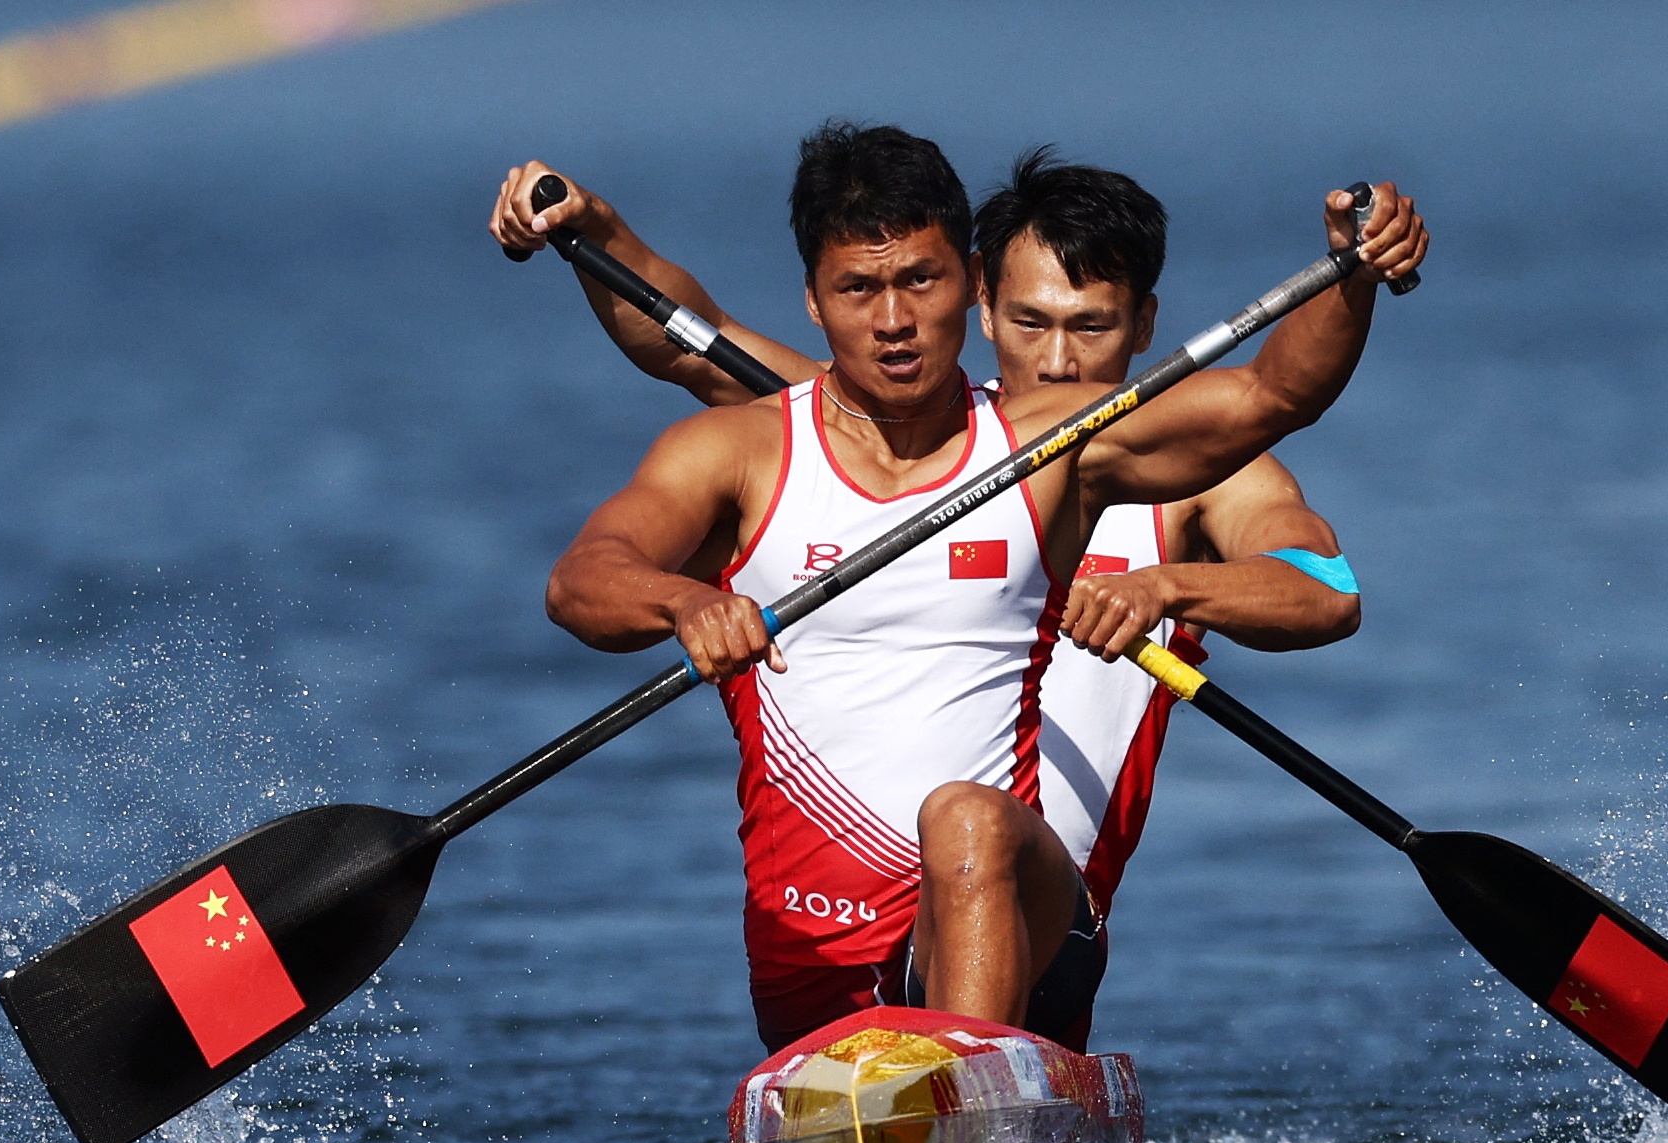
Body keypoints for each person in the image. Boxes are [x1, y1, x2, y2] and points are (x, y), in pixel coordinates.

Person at [497, 123, 1426, 1052]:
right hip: (823, 948)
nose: (1061, 362)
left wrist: (1170, 588)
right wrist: (594, 231)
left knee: (967, 820)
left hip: (1028, 903)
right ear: (988, 305)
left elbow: (1286, 452)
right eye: (1032, 323)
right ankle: (941, 1102)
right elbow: (687, 346)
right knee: (950, 832)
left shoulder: (1091, 447)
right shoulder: (773, 436)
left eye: (1091, 326)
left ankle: (974, 1110)